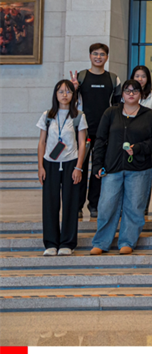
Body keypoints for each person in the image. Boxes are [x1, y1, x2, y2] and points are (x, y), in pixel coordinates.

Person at [89, 80, 152, 255]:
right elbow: (100, 139)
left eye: (135, 90)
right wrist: (97, 164)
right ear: (122, 94)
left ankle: (127, 241)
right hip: (112, 167)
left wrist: (139, 148)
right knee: (106, 206)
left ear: (141, 94)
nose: (131, 94)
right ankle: (101, 242)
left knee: (134, 207)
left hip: (139, 168)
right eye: (127, 90)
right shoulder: (111, 113)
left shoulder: (149, 116)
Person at [69, 42, 121, 219]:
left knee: (98, 170)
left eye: (102, 54)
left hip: (104, 133)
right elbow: (70, 102)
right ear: (90, 56)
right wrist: (74, 89)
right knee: (80, 168)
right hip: (83, 132)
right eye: (95, 54)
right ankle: (77, 206)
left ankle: (94, 205)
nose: (98, 57)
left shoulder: (113, 79)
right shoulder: (81, 77)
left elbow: (118, 106)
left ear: (107, 57)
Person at [37, 80, 87, 256]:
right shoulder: (47, 116)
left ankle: (67, 243)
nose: (64, 95)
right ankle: (51, 243)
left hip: (71, 163)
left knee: (70, 203)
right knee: (50, 204)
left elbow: (82, 143)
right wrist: (40, 167)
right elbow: (41, 142)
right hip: (50, 163)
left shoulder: (78, 116)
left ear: (73, 95)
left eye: (68, 91)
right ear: (55, 94)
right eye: (61, 91)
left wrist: (79, 167)